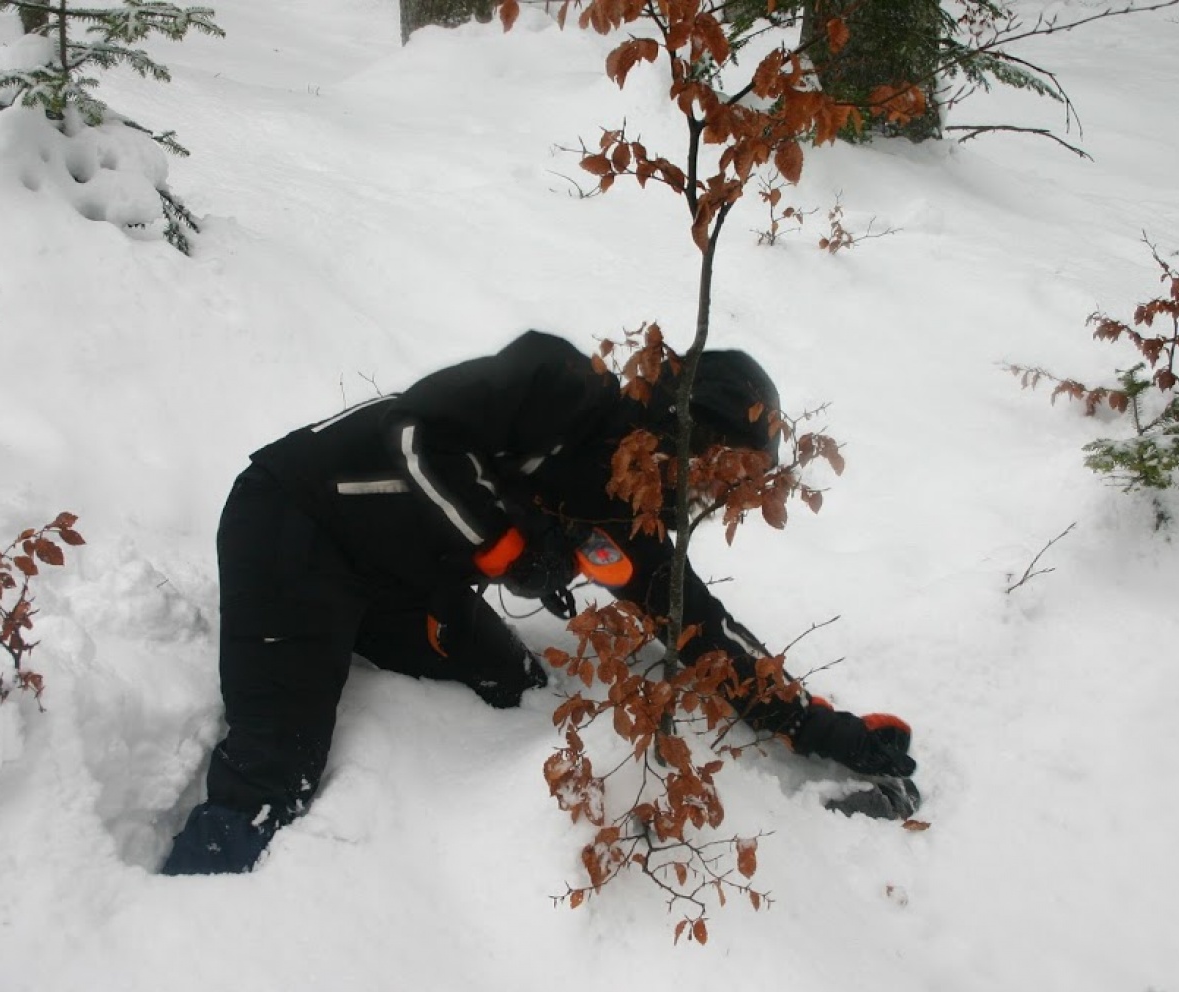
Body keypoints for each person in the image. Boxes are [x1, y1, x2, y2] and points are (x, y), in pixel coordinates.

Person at [161, 330, 916, 876]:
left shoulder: (631, 514)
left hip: (403, 581)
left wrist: (824, 729)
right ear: (683, 429)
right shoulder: (560, 385)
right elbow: (415, 438)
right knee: (275, 766)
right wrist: (508, 547)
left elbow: (701, 630)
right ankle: (196, 912)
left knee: (514, 689)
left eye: (738, 479)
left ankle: (343, 637)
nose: (719, 491)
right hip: (297, 522)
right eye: (721, 466)